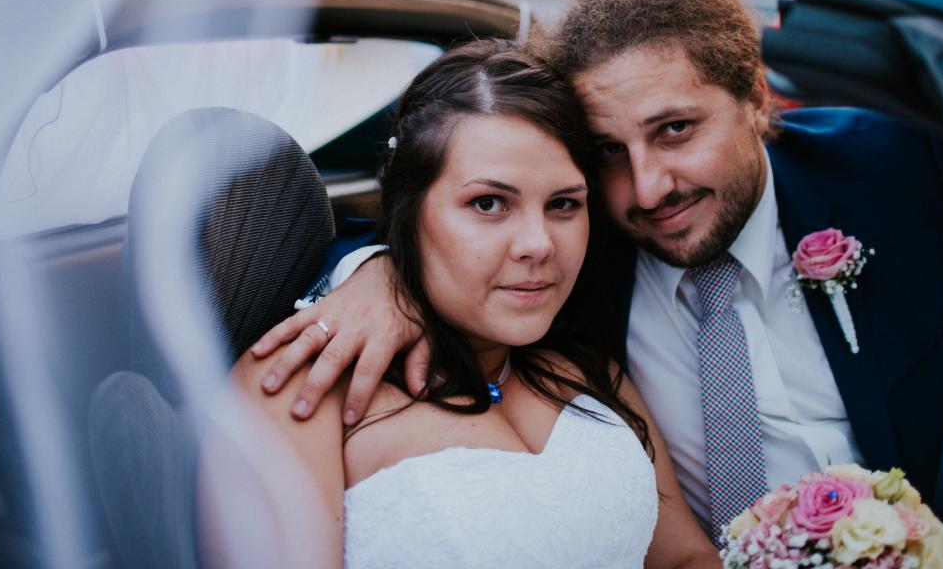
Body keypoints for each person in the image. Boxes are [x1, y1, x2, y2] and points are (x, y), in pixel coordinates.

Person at [251, 0, 943, 550]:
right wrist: (378, 272)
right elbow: (434, 208)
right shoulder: (572, 245)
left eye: (675, 130)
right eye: (609, 151)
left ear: (756, 96)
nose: (648, 190)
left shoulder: (891, 174)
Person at [202, 39, 720, 567]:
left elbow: (685, 559)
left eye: (563, 204)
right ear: (407, 213)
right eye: (489, 203)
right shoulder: (300, 388)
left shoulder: (590, 371)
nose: (539, 244)